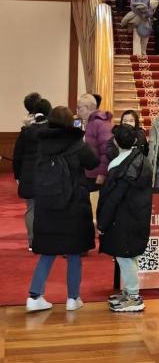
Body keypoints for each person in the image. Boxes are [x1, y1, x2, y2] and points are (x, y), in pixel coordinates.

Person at [26, 106, 99, 313]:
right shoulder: (76, 142)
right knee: (74, 253)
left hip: (47, 204)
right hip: (73, 204)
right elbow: (93, 162)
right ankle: (72, 298)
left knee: (47, 252)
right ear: (69, 122)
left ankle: (35, 296)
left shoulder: (41, 142)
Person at [98, 123, 153, 313]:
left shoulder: (119, 166)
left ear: (116, 141)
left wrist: (102, 223)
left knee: (125, 258)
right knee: (128, 256)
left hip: (123, 218)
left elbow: (112, 199)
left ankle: (134, 297)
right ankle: (128, 292)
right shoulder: (140, 160)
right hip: (136, 215)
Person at [14, 96, 52, 249]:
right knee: (48, 208)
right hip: (48, 174)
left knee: (31, 208)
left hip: (29, 174)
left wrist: (17, 175)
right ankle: (47, 238)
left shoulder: (26, 132)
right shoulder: (52, 131)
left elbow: (17, 155)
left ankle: (32, 241)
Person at [77, 93, 112, 217]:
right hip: (87, 173)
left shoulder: (100, 123)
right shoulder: (88, 122)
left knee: (95, 209)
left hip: (96, 174)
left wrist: (102, 173)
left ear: (87, 108)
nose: (77, 111)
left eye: (79, 108)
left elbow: (106, 151)